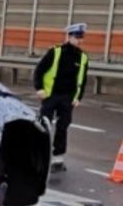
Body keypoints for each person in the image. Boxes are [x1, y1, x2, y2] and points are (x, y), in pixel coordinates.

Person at [33, 23, 90, 173]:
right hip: (51, 95)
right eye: (77, 37)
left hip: (67, 98)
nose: (80, 40)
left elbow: (82, 79)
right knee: (44, 126)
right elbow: (39, 70)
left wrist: (78, 97)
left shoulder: (83, 57)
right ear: (69, 37)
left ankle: (58, 160)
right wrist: (39, 88)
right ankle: (39, 157)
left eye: (81, 37)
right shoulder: (56, 52)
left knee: (63, 127)